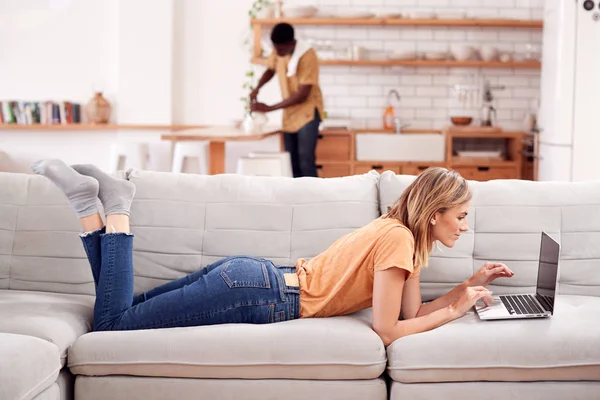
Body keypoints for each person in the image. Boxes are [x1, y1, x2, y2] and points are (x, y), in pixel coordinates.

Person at [31, 161, 514, 345]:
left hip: (254, 279)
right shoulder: (398, 240)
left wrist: (468, 289)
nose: (465, 226)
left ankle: (90, 206)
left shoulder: (406, 239)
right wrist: (454, 309)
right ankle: (114, 208)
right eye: (462, 215)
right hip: (259, 295)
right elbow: (388, 331)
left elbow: (411, 313)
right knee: (113, 327)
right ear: (434, 213)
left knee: (121, 314)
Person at [249, 22, 324, 178]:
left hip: (307, 114)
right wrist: (257, 87)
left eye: (280, 49)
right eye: (275, 48)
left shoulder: (308, 55)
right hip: (290, 114)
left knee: (306, 161)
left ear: (291, 43)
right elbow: (271, 69)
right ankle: (297, 199)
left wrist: (268, 108)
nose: (277, 52)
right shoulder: (278, 50)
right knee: (291, 163)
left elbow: (303, 94)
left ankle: (315, 199)